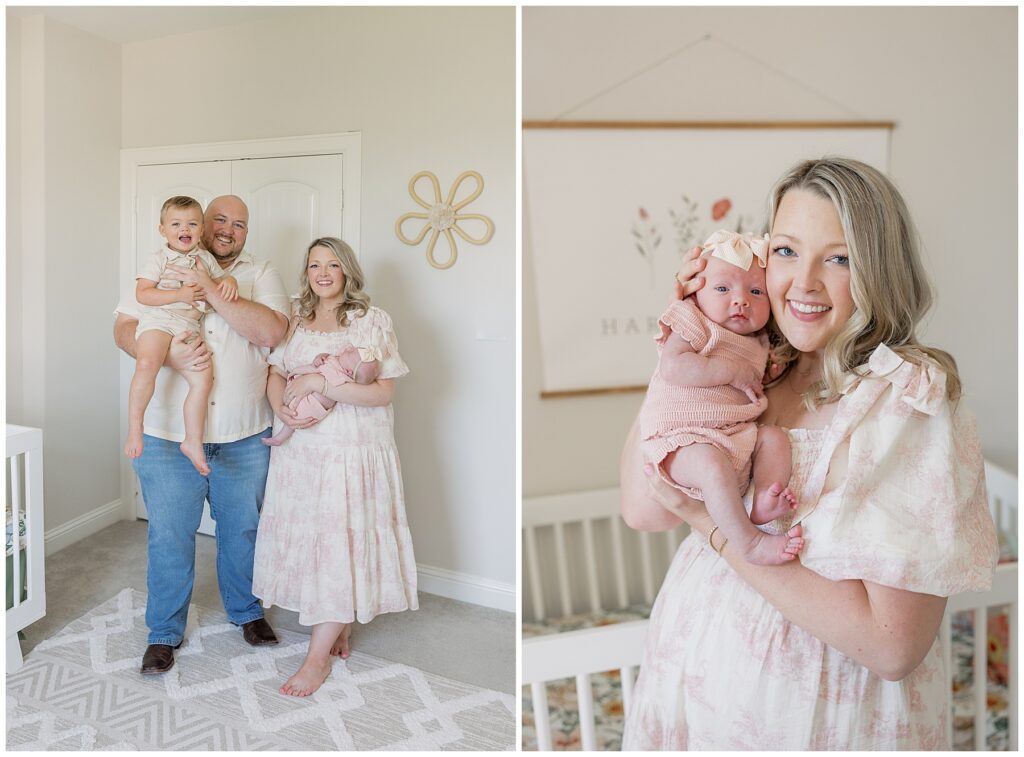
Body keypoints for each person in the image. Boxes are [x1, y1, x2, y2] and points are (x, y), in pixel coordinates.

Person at [620, 158, 999, 749]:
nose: (804, 282)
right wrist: (688, 332)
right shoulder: (759, 364)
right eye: (788, 251)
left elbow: (893, 647)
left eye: (839, 258)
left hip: (818, 724)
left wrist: (714, 530)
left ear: (878, 270)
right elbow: (646, 510)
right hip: (696, 692)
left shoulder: (905, 400)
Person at [113, 195, 290, 675]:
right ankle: (164, 632)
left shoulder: (260, 271)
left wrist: (211, 288)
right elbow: (125, 325)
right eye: (220, 220)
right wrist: (164, 355)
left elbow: (273, 332)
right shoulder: (166, 260)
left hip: (243, 431)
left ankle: (247, 612)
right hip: (168, 431)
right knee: (168, 536)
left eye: (240, 223)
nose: (229, 229)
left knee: (243, 531)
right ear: (199, 224)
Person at [252, 237, 418, 697]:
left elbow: (381, 393)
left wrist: (319, 381)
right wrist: (281, 408)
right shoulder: (294, 318)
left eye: (331, 265)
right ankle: (337, 625)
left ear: (347, 270)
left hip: (351, 450)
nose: (322, 273)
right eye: (313, 265)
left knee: (340, 545)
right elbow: (273, 373)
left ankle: (315, 659)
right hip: (301, 451)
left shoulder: (370, 320)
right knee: (315, 545)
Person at [639, 229, 801, 566]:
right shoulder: (693, 320)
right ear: (697, 293)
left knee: (773, 439)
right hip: (682, 439)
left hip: (734, 435)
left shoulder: (760, 342)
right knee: (712, 468)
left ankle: (764, 503)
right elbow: (674, 367)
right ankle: (750, 543)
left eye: (756, 291)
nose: (740, 300)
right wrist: (730, 371)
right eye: (723, 289)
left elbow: (758, 383)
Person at [125, 196, 239, 475]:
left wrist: (230, 281)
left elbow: (220, 279)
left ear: (201, 230)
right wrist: (180, 294)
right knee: (146, 364)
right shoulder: (159, 258)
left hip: (188, 327)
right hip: (159, 322)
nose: (184, 229)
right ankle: (135, 427)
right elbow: (143, 293)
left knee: (203, 380)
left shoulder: (205, 259)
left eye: (191, 224)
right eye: (176, 224)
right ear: (163, 230)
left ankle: (192, 440)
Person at [261, 344, 381, 447]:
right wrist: (321, 357)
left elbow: (324, 378)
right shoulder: (338, 360)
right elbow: (326, 360)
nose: (348, 348)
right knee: (291, 407)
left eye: (350, 353)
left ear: (349, 371)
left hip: (314, 405)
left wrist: (313, 375)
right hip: (306, 393)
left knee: (295, 415)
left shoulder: (342, 377)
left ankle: (280, 438)